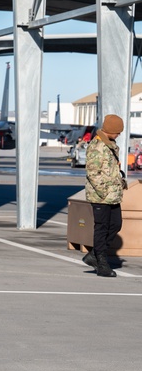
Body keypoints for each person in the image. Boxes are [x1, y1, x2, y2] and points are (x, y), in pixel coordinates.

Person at [83, 113, 126, 277]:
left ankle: (94, 255)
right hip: (101, 196)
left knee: (116, 224)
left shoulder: (110, 144)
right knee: (101, 228)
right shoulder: (97, 146)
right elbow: (93, 174)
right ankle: (101, 262)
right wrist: (105, 192)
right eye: (118, 131)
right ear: (111, 130)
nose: (119, 134)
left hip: (113, 195)